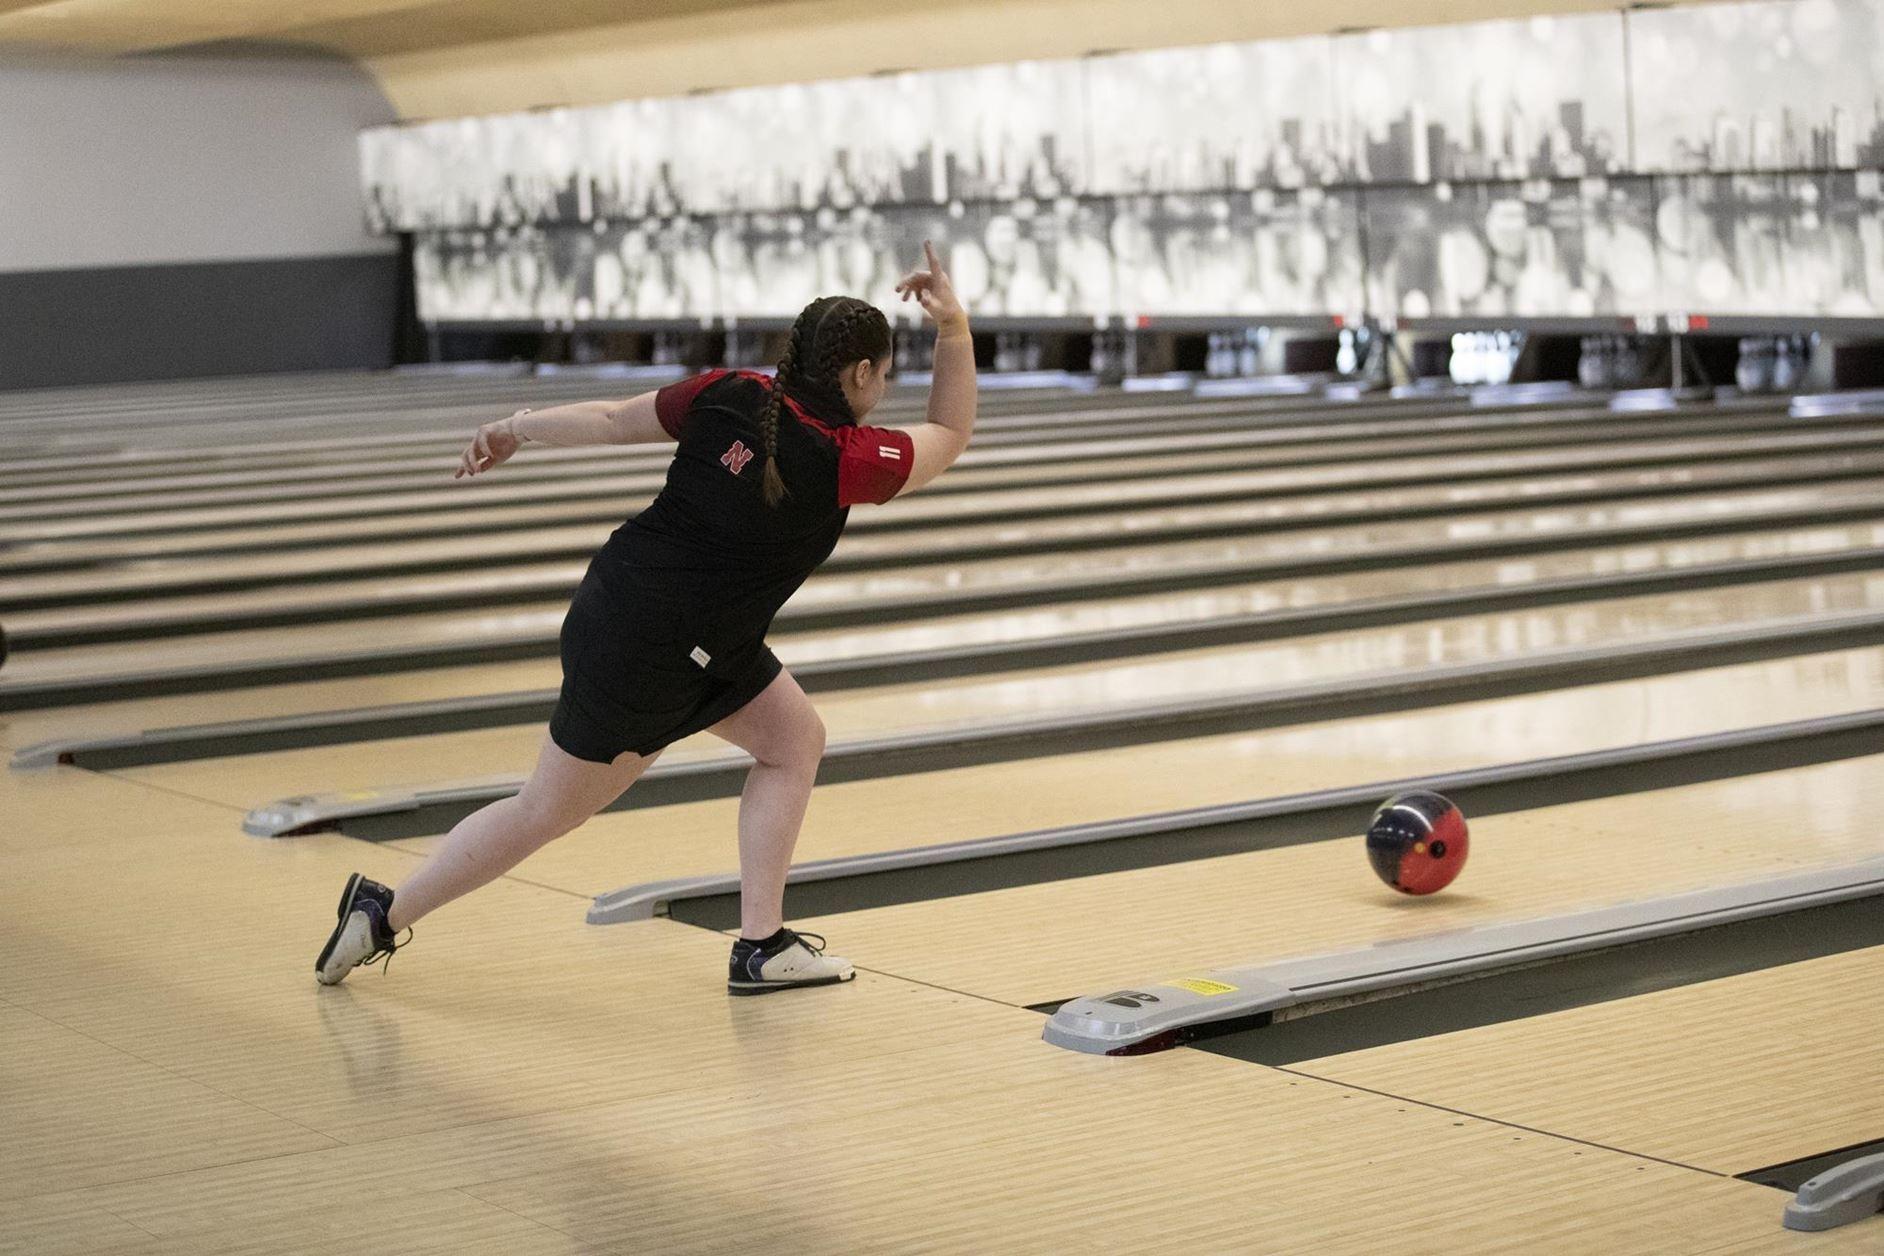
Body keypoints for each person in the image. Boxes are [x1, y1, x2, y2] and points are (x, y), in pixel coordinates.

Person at [316, 242, 975, 995]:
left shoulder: (730, 390)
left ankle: (762, 944)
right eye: (884, 375)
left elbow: (606, 418)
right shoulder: (847, 455)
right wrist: (953, 328)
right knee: (546, 811)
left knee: (795, 739)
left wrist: (516, 426)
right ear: (860, 373)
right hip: (658, 649)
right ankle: (383, 910)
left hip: (644, 610)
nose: (885, 389)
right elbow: (951, 434)